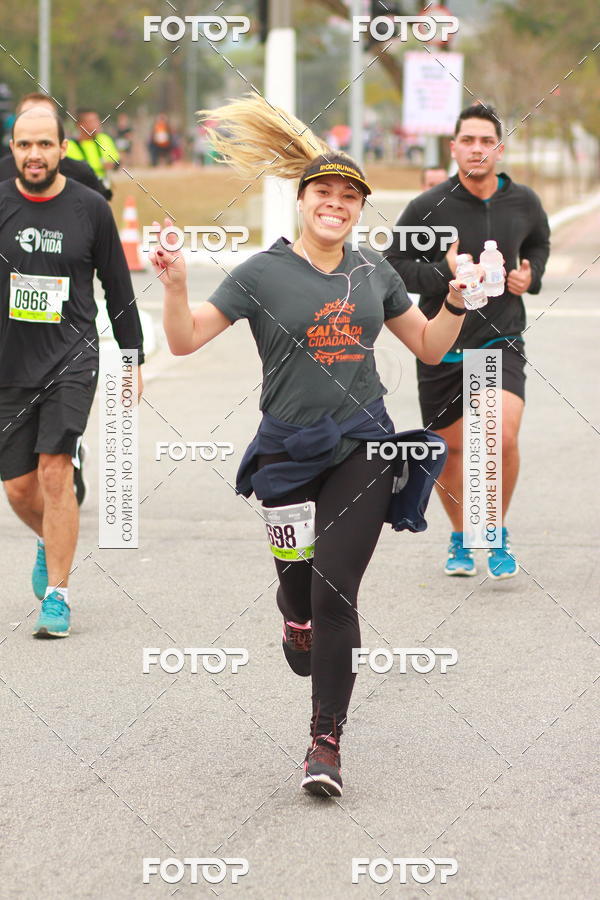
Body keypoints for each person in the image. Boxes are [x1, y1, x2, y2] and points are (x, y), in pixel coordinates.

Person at [151, 96, 475, 798]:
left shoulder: (374, 273)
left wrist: (455, 302)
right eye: (324, 192)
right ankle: (293, 617)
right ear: (302, 201)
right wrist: (175, 285)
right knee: (298, 585)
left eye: (349, 196)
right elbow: (183, 339)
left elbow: (427, 345)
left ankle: (323, 741)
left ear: (359, 209)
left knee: (336, 588)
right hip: (287, 453)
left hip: (364, 445)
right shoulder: (262, 274)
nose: (336, 203)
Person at [385, 104, 550, 579]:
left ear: (499, 148)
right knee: (452, 452)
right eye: (468, 140)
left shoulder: (524, 202)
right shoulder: (428, 207)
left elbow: (539, 242)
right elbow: (393, 266)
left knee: (501, 435)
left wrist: (529, 273)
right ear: (454, 147)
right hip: (440, 344)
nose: (477, 148)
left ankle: (493, 530)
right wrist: (444, 270)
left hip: (499, 340)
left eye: (486, 141)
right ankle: (461, 535)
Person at [0, 106, 145, 638]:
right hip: (9, 362)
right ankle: (49, 538)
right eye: (23, 145)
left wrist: (131, 359)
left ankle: (58, 595)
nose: (33, 154)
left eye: (43, 144)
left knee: (54, 471)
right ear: (11, 149)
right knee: (18, 488)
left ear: (62, 148)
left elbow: (118, 287)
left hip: (71, 357)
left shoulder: (89, 209)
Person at [0, 94, 111, 201]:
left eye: (45, 117)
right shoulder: (2, 171)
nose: (36, 124)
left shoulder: (82, 173)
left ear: (63, 147)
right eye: (28, 116)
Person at [66, 108, 120, 188]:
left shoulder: (105, 139)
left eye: (97, 120)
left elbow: (117, 162)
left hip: (103, 188)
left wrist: (112, 165)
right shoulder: (69, 146)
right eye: (91, 121)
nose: (97, 124)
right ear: (80, 125)